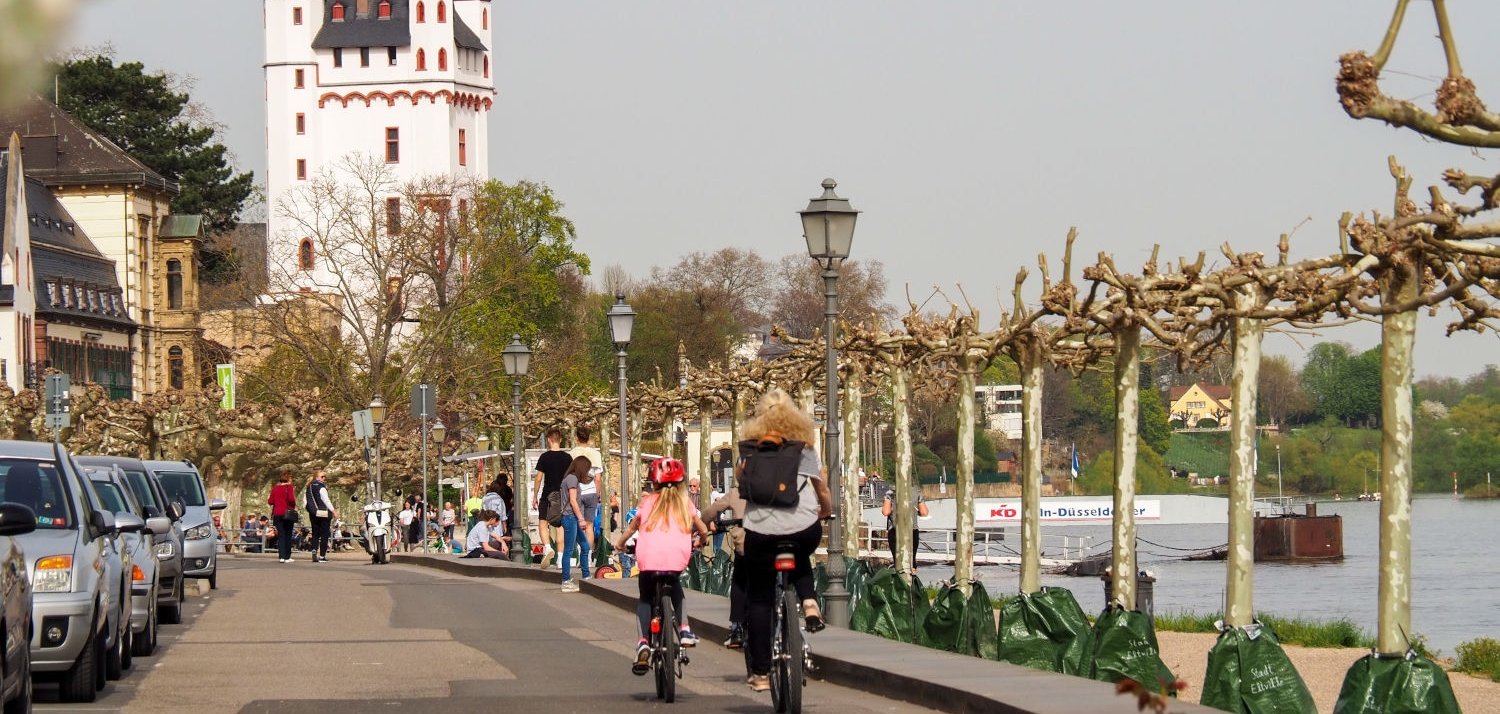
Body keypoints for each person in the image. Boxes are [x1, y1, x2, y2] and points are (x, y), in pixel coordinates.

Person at [738, 388, 832, 692]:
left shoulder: (749, 449)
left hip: (761, 532)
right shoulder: (804, 449)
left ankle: (761, 674)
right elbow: (822, 489)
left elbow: (742, 484)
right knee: (801, 551)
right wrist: (825, 511)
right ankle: (810, 603)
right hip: (803, 527)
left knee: (760, 599)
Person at [613, 457, 708, 675]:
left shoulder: (647, 503)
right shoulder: (685, 503)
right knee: (676, 588)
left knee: (645, 598)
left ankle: (643, 642)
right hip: (676, 559)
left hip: (649, 561)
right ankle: (685, 629)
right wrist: (702, 540)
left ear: (653, 482)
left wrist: (619, 544)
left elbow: (631, 529)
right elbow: (702, 529)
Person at [703, 485, 748, 648]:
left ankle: (736, 629)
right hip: (773, 544)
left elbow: (710, 512)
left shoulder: (738, 492)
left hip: (746, 547)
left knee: (739, 583)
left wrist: (703, 524)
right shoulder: (773, 486)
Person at [531, 427, 573, 567]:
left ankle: (548, 547)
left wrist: (535, 496)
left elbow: (538, 478)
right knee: (560, 526)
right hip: (563, 496)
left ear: (549, 440)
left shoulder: (545, 457)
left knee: (543, 522)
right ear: (560, 440)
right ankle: (560, 559)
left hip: (548, 494)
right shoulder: (567, 458)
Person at [558, 456, 600, 591]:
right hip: (570, 517)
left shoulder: (570, 478)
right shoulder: (572, 479)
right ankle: (565, 580)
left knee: (585, 546)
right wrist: (581, 518)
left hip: (572, 518)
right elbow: (573, 500)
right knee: (569, 550)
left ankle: (586, 576)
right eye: (586, 469)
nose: (587, 472)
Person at [882, 485, 929, 569]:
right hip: (912, 530)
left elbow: (886, 512)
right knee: (912, 560)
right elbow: (924, 513)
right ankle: (912, 575)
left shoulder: (890, 493)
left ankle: (900, 575)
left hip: (895, 531)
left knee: (898, 560)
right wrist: (916, 511)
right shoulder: (916, 492)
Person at [268, 470, 300, 563]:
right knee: (288, 534)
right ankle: (287, 556)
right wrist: (292, 506)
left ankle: (281, 556)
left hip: (277, 514)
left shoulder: (275, 488)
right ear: (289, 479)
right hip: (287, 513)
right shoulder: (289, 487)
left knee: (281, 535)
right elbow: (291, 500)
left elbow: (270, 501)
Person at [305, 470, 338, 562]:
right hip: (323, 513)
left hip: (313, 513)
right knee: (324, 534)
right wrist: (333, 511)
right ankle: (322, 556)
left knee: (315, 533)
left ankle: (314, 550)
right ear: (317, 477)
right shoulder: (321, 487)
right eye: (322, 476)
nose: (324, 478)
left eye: (325, 476)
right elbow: (326, 500)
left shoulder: (309, 486)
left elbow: (305, 501)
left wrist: (311, 510)